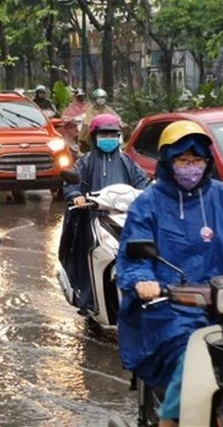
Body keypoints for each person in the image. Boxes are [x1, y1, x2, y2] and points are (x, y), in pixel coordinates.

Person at [115, 120, 223, 427]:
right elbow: (134, 255)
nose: (191, 167)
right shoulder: (147, 204)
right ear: (168, 161)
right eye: (183, 160)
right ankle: (170, 422)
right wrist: (142, 281)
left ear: (207, 161)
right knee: (190, 360)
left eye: (197, 160)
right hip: (170, 309)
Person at [60, 114, 149, 312]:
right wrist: (76, 195)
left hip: (123, 220)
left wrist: (148, 195)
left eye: (112, 134)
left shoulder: (127, 161)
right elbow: (72, 182)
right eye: (103, 134)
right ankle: (89, 299)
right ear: (94, 137)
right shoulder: (87, 161)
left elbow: (142, 182)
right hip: (92, 220)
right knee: (88, 257)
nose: (108, 138)